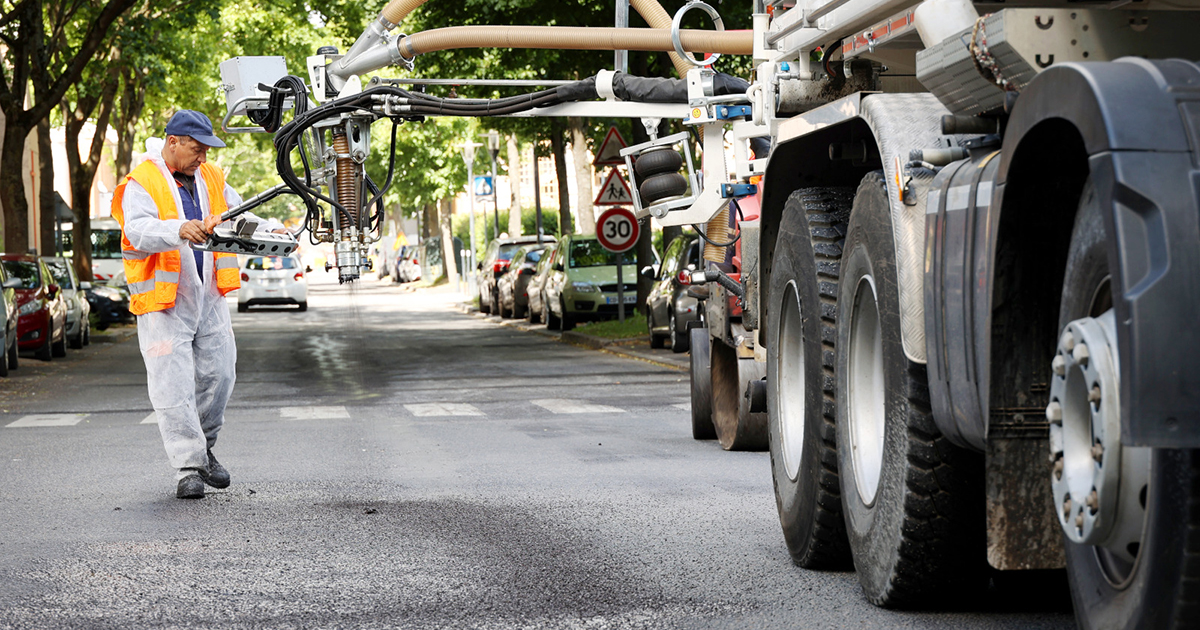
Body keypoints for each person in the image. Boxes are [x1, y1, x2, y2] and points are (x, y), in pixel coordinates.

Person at [112, 110, 285, 499]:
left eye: (207, 149)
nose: (203, 156)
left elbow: (239, 215)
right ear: (172, 141)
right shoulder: (142, 180)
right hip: (163, 303)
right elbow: (136, 229)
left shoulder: (211, 176)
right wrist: (176, 229)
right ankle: (188, 467)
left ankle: (204, 447)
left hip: (207, 296)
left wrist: (273, 229)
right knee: (171, 385)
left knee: (221, 375)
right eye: (196, 148)